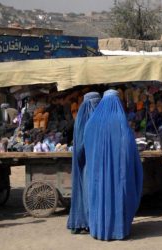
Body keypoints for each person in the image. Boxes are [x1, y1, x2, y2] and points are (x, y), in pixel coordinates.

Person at [84, 89, 143, 241]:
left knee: (98, 196)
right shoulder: (121, 121)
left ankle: (98, 229)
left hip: (96, 173)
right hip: (119, 171)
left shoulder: (91, 123)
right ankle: (119, 230)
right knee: (118, 195)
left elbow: (87, 148)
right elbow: (129, 149)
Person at [67, 92, 101, 233]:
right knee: (89, 193)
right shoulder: (97, 118)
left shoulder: (81, 119)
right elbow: (81, 146)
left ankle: (91, 222)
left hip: (88, 164)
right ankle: (88, 222)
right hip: (90, 165)